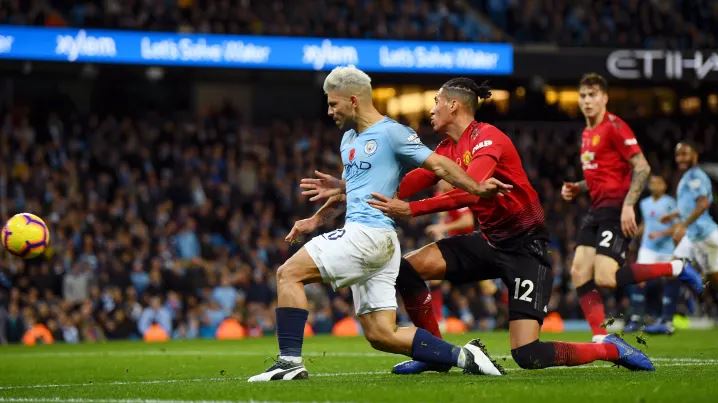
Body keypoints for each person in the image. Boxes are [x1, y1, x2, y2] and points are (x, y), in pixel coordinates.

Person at [303, 77, 655, 373]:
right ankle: (435, 353)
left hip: (526, 249)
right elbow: (405, 183)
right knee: (406, 268)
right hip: (488, 242)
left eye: (436, 102)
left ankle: (610, 348)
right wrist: (348, 188)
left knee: (528, 355)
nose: (431, 109)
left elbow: (471, 191)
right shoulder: (446, 149)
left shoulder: (488, 138)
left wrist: (412, 210)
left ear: (454, 106)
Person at [247, 66, 510, 382]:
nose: (329, 111)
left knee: (288, 273)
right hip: (377, 242)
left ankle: (289, 362)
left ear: (353, 100)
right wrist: (315, 220)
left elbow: (439, 164)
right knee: (381, 334)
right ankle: (466, 356)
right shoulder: (349, 139)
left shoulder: (392, 133)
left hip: (368, 235)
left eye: (333, 104)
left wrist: (476, 187)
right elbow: (352, 190)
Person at [560, 73, 702, 342]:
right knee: (578, 271)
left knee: (606, 278)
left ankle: (675, 268)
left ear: (604, 98)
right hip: (596, 210)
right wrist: (578, 187)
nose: (587, 101)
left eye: (592, 95)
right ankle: (601, 338)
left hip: (616, 209)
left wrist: (628, 204)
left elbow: (642, 167)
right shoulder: (587, 133)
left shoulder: (615, 126)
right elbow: (600, 176)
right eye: (583, 95)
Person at [655, 141, 716, 333]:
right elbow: (690, 206)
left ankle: (696, 286)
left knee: (710, 278)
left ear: (695, 155)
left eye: (684, 154)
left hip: (704, 233)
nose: (680, 158)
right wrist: (673, 216)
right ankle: (666, 321)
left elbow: (703, 204)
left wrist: (683, 224)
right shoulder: (688, 176)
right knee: (672, 269)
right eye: (678, 154)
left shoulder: (695, 176)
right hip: (695, 235)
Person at [624, 175, 677, 333]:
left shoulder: (670, 203)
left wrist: (660, 234)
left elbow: (677, 227)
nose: (655, 185)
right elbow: (646, 223)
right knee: (639, 279)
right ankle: (636, 319)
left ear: (664, 186)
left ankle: (667, 320)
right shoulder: (644, 203)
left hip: (667, 249)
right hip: (648, 248)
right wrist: (635, 234)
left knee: (670, 280)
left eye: (658, 182)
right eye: (652, 183)